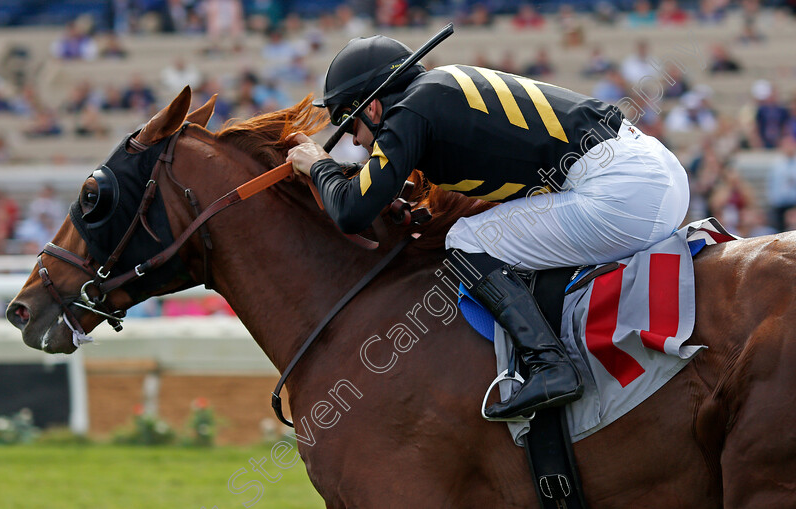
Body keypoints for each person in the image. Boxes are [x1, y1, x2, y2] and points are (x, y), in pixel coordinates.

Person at [286, 35, 690, 419]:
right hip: (652, 169)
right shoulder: (437, 90)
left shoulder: (409, 111)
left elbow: (352, 212)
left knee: (467, 239)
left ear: (372, 108)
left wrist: (317, 164)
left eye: (352, 126)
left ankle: (549, 363)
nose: (357, 143)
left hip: (623, 192)